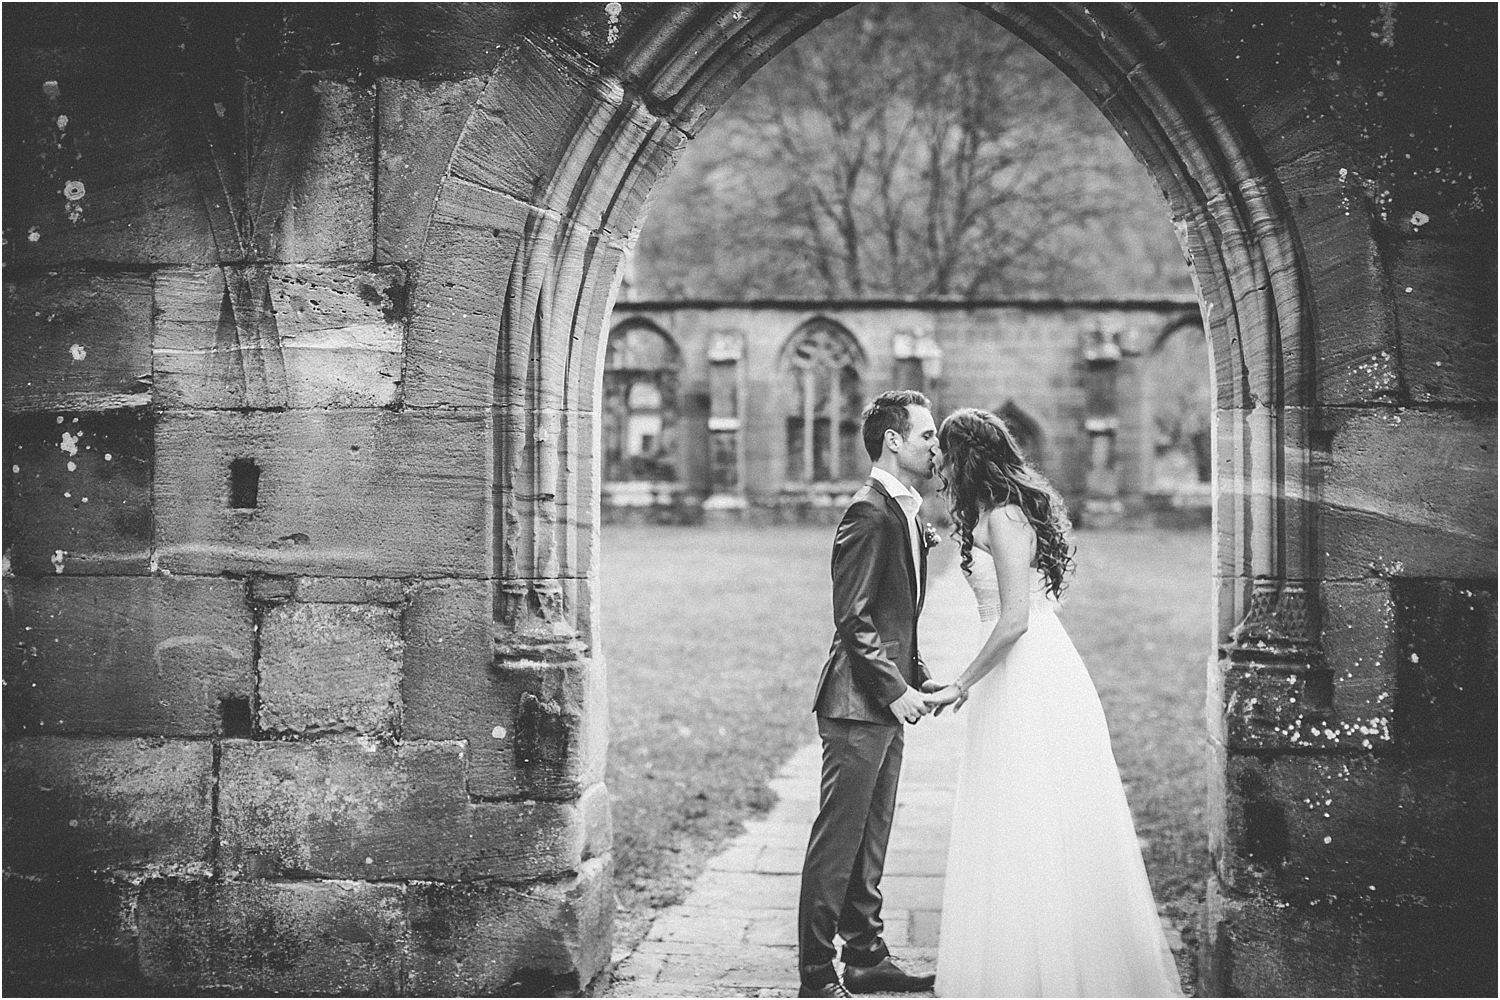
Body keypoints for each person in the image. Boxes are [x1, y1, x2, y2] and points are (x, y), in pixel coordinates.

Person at [919, 407, 1183, 997]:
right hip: (1013, 675)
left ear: (967, 456)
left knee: (1039, 806)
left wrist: (962, 682)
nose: (936, 460)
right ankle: (1014, 958)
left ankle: (1056, 966)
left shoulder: (1007, 517)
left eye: (944, 451)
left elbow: (1015, 620)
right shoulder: (987, 513)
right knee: (1010, 807)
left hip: (1031, 672)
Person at [796, 390, 940, 999]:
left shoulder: (905, 511)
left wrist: (919, 672)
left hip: (881, 699)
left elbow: (890, 616)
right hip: (856, 704)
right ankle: (815, 977)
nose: (936, 446)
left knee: (871, 838)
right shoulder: (868, 511)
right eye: (928, 435)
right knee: (838, 842)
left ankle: (866, 957)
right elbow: (851, 618)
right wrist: (893, 686)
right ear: (894, 441)